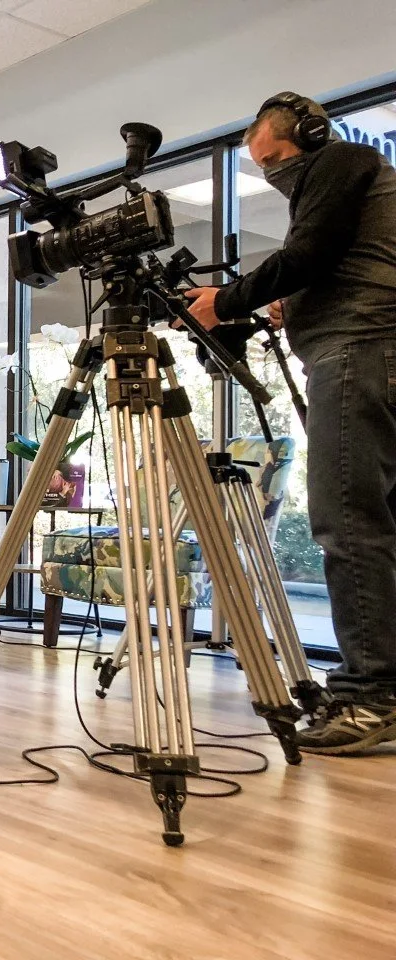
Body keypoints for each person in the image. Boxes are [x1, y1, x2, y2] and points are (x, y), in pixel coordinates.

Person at [185, 92, 396, 755]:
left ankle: (371, 699)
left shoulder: (341, 159)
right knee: (376, 521)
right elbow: (333, 261)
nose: (273, 174)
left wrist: (226, 300)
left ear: (306, 134)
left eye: (274, 157)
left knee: (349, 521)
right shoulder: (358, 177)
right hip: (372, 347)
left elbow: (308, 252)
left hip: (358, 349)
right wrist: (291, 303)